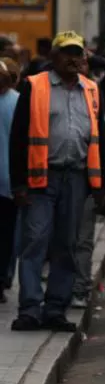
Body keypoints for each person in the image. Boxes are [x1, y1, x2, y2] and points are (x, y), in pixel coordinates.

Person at [8, 31, 105, 332]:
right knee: (35, 242)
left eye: (77, 53)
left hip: (76, 179)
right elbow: (18, 138)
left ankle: (55, 308)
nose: (72, 58)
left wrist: (101, 186)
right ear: (53, 57)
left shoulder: (91, 90)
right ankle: (29, 309)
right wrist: (19, 184)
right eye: (66, 52)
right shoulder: (34, 86)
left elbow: (100, 141)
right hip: (42, 179)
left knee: (67, 244)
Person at [71, 51, 105, 308]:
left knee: (83, 238)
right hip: (59, 177)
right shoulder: (49, 89)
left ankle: (79, 289)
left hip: (88, 177)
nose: (77, 67)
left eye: (81, 63)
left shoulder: (95, 92)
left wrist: (92, 57)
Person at [0, 57, 20, 302]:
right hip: (10, 181)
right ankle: (3, 278)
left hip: (9, 181)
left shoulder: (16, 102)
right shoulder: (18, 102)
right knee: (7, 234)